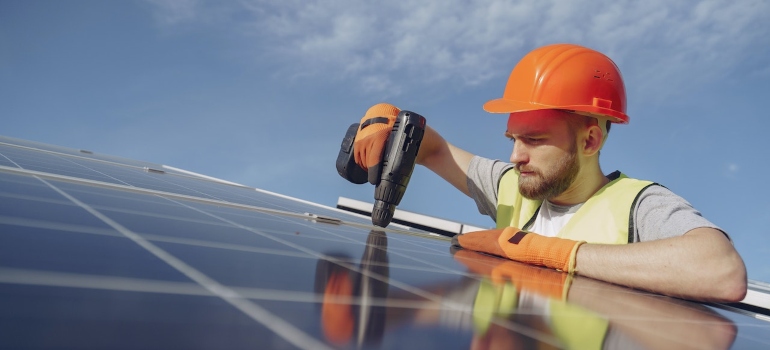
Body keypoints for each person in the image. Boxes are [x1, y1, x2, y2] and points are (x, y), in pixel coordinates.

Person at [351, 43, 747, 302]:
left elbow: (721, 271)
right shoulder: (515, 186)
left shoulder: (637, 205)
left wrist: (548, 253)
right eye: (512, 137)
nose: (515, 156)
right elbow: (432, 148)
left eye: (535, 140)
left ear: (590, 141)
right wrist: (390, 118)